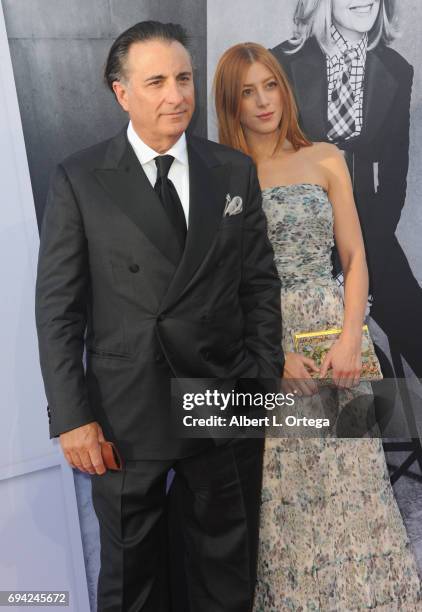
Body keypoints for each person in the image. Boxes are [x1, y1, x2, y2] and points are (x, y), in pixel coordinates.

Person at [35, 21, 284, 612]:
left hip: (224, 400)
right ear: (122, 93)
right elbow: (59, 312)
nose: (176, 94)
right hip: (128, 413)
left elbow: (259, 285)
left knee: (226, 573)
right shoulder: (79, 178)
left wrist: (262, 382)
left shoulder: (231, 169)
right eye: (156, 82)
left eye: (184, 78)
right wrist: (73, 419)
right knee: (132, 580)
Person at [214, 42, 422, 610]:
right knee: (293, 496)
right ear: (230, 102)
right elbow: (220, 287)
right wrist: (271, 360)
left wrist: (353, 336)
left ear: (286, 87)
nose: (263, 102)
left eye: (271, 86)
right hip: (272, 347)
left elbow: (355, 260)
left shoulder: (326, 157)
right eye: (248, 92)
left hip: (337, 337)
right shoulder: (222, 176)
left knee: (358, 487)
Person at [270, 0, 422, 380]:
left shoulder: (396, 69)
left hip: (371, 229)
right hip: (300, 232)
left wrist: (362, 262)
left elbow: (393, 177)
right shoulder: (280, 63)